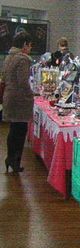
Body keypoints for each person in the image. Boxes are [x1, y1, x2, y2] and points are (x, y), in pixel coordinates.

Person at [2, 31, 34, 173]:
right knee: (21, 131)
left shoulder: (9, 57)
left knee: (13, 130)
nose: (30, 48)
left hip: (9, 96)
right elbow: (23, 82)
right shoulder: (23, 59)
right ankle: (15, 161)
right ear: (25, 45)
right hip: (19, 99)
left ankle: (10, 158)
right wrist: (31, 94)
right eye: (30, 45)